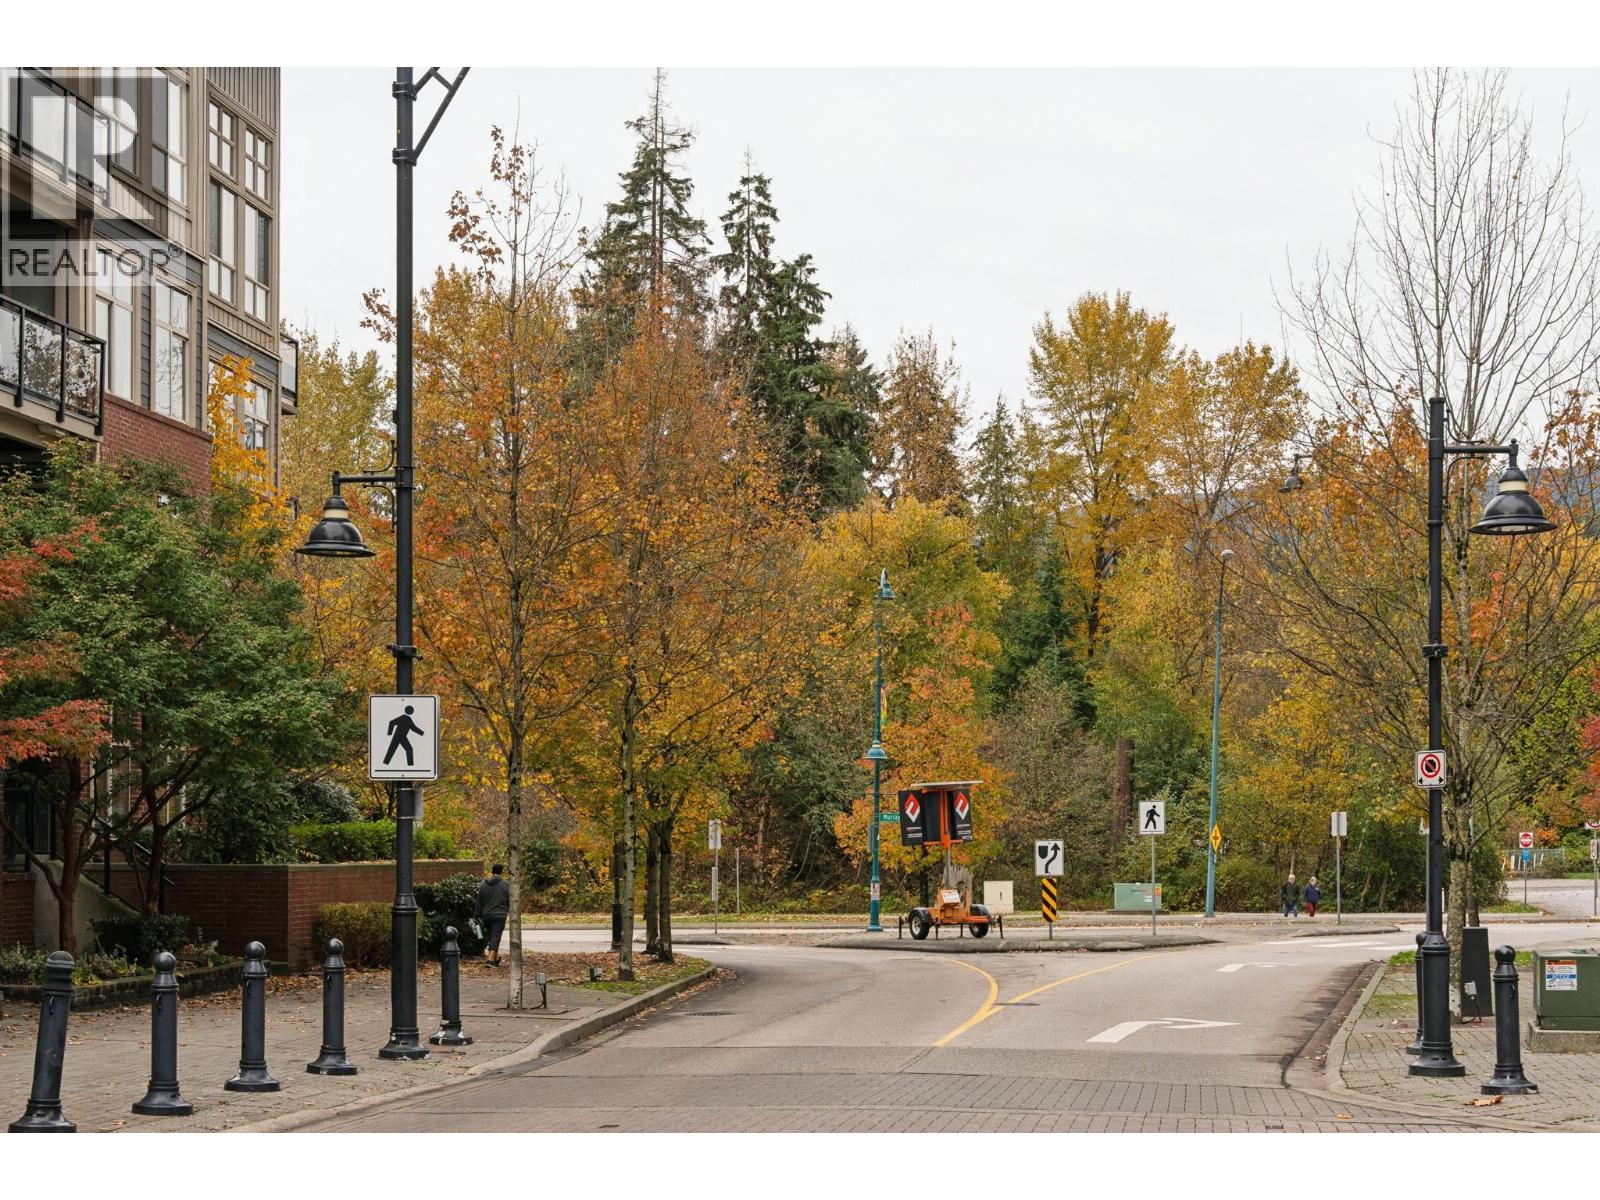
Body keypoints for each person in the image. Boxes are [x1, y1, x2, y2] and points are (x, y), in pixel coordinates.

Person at [475, 864, 510, 967]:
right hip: (500, 914)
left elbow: (479, 902)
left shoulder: (483, 884)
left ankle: (495, 959)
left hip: (486, 915)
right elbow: (509, 900)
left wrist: (476, 916)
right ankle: (490, 960)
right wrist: (508, 911)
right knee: (496, 935)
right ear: (501, 872)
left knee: (492, 936)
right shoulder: (505, 884)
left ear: (492, 871)